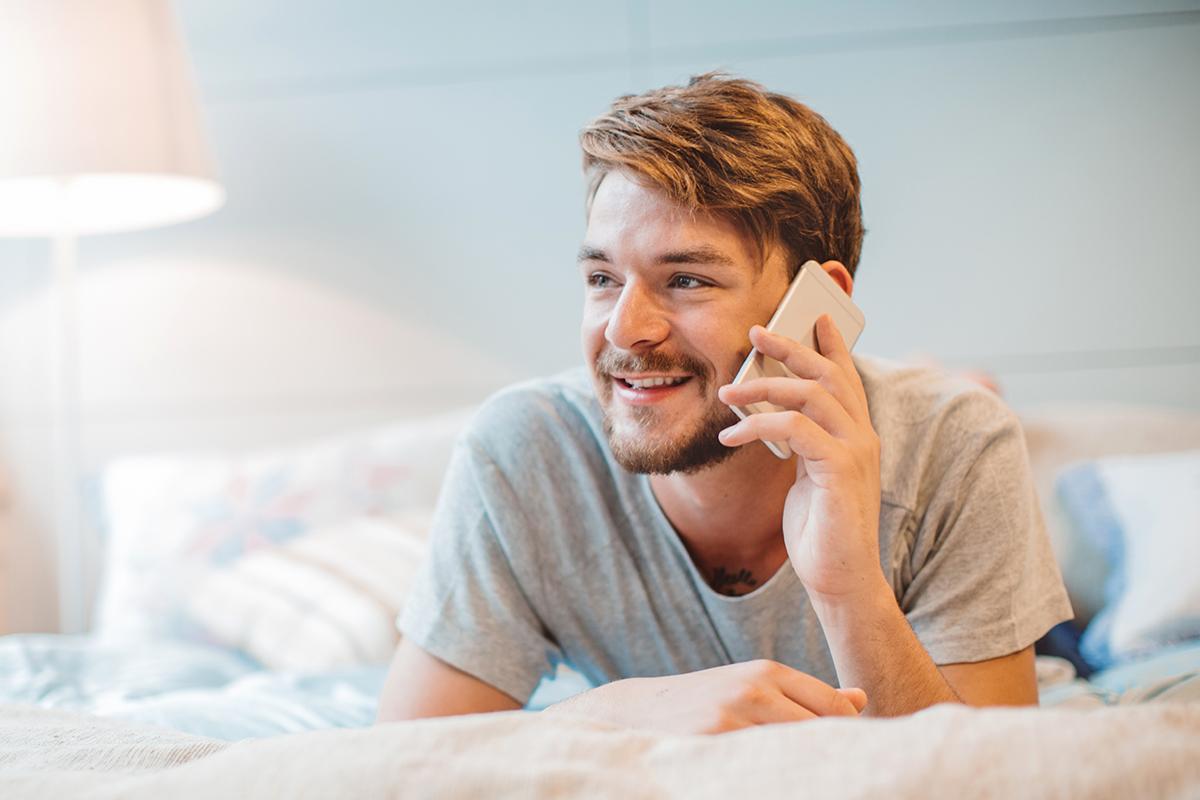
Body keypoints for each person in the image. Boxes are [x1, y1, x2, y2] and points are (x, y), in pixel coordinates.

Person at [376, 73, 1072, 733]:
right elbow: (401, 760)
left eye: (685, 279)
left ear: (816, 307)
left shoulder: (958, 444)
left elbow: (990, 774)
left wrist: (848, 586)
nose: (624, 328)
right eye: (601, 277)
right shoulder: (525, 450)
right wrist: (614, 713)